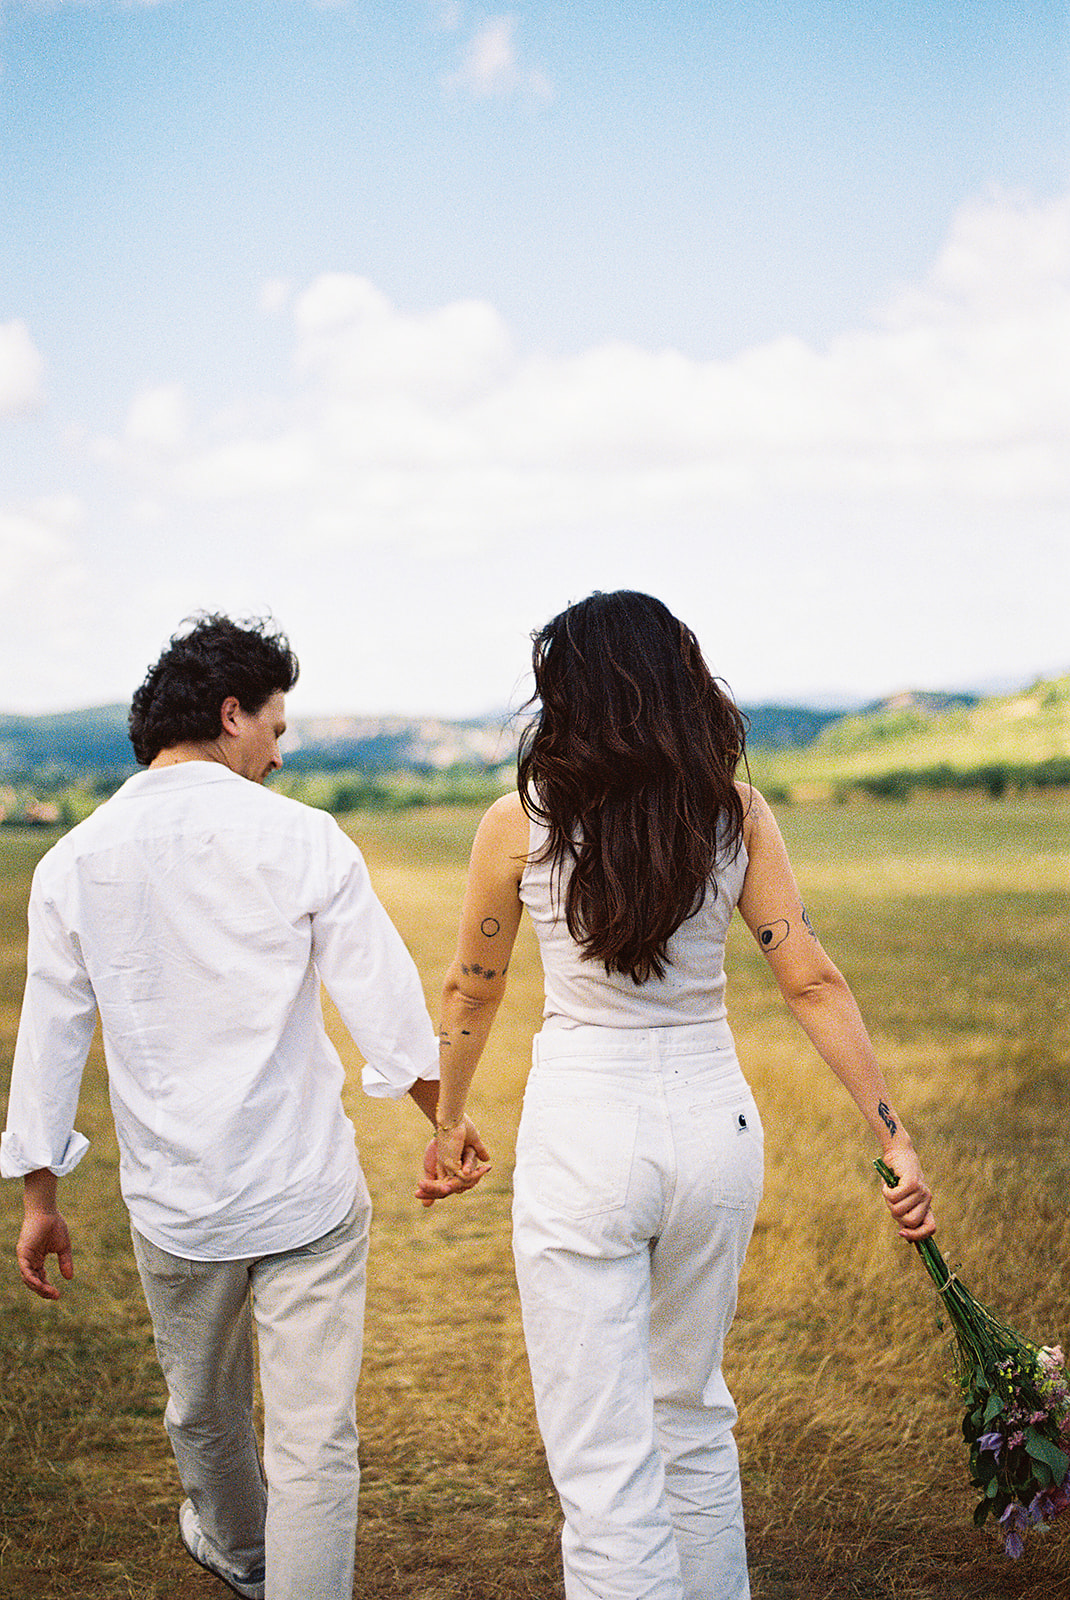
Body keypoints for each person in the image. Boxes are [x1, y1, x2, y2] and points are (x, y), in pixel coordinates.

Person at [421, 590, 936, 1600]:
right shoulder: (732, 812)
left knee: (603, 1464)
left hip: (583, 1138)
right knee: (692, 1420)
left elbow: (471, 984)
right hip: (714, 1131)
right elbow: (808, 976)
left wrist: (447, 1118)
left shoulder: (516, 823)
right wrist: (894, 1134)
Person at [2, 613, 487, 1600]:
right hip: (305, 1187)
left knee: (203, 1415)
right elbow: (386, 1012)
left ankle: (240, 1554)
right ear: (230, 714)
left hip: (179, 1206)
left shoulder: (73, 862)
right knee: (316, 1438)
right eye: (274, 722)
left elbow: (48, 1042)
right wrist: (444, 1120)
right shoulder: (306, 836)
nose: (280, 746)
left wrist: (40, 1196)